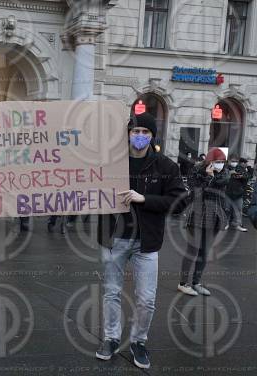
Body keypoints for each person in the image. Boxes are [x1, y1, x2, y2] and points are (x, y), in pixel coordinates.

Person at [95, 113, 185, 369]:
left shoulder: (166, 167)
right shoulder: (110, 163)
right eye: (136, 131)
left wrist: (144, 198)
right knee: (111, 292)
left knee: (146, 298)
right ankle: (111, 338)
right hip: (114, 239)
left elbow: (179, 202)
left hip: (147, 242)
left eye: (146, 132)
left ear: (152, 136)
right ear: (127, 134)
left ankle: (139, 341)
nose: (140, 136)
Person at [178, 147, 229, 297]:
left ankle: (196, 282)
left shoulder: (224, 174)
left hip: (215, 214)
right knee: (192, 250)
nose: (220, 164)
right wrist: (208, 177)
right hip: (198, 212)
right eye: (217, 161)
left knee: (204, 251)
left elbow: (220, 195)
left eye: (222, 162)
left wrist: (226, 216)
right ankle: (183, 283)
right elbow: (197, 193)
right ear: (208, 161)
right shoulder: (196, 172)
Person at [225, 154, 250, 232]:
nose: (234, 163)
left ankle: (238, 225)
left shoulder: (240, 168)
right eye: (232, 161)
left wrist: (241, 176)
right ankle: (226, 224)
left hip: (238, 193)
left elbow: (247, 176)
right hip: (228, 193)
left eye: (236, 161)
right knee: (227, 209)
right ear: (229, 161)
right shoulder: (225, 168)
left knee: (239, 210)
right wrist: (229, 174)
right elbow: (222, 179)